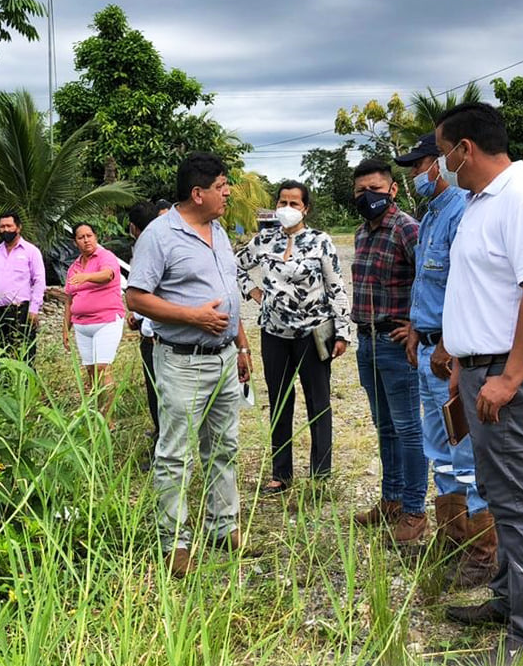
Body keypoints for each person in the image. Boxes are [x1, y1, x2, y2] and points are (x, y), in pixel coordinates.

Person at [431, 103, 523, 666]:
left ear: (466, 148)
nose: (440, 165)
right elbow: (485, 294)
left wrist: (509, 377)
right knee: (501, 492)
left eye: (443, 153)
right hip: (483, 369)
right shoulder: (480, 204)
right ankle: (510, 598)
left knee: (519, 502)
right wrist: (464, 361)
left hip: (512, 375)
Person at [127, 153, 255, 578]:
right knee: (175, 455)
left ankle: (224, 527)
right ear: (197, 193)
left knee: (224, 448)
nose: (228, 192)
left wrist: (241, 345)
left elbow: (228, 291)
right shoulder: (159, 236)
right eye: (221, 185)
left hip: (222, 357)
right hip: (183, 361)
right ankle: (175, 543)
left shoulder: (218, 232)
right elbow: (137, 298)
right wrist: (193, 317)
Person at [395, 134, 495, 589]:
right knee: (439, 450)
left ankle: (481, 550)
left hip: (447, 354)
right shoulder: (431, 216)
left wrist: (450, 346)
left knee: (465, 452)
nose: (415, 175)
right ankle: (452, 538)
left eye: (419, 166)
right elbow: (428, 282)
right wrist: (417, 327)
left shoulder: (463, 212)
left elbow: (466, 286)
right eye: (411, 169)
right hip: (427, 347)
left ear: (442, 164)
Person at [236, 180, 352, 493]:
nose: (287, 209)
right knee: (280, 401)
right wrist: (255, 292)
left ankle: (321, 473)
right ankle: (281, 472)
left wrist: (342, 332)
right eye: (282, 202)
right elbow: (237, 267)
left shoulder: (320, 241)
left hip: (313, 332)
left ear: (306, 208)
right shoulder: (263, 240)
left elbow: (336, 287)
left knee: (318, 400)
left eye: (294, 204)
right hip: (274, 331)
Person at [349, 157, 426, 546]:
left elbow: (432, 278)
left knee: (409, 429)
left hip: (396, 346)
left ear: (392, 189)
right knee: (386, 428)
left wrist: (417, 325)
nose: (368, 197)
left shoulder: (407, 228)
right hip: (367, 343)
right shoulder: (363, 233)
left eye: (375, 190)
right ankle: (391, 499)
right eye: (361, 191)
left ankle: (414, 510)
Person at [62, 221, 126, 423]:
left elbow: (107, 275)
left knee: (102, 368)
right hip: (82, 325)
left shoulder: (105, 256)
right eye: (81, 237)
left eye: (89, 235)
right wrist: (65, 329)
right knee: (90, 373)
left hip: (106, 320)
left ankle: (109, 421)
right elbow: (69, 300)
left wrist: (86, 277)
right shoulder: (73, 268)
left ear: (95, 237)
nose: (86, 240)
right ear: (75, 242)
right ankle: (97, 415)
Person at [127, 200, 173, 449]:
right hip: (152, 331)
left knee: (161, 395)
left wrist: (142, 315)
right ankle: (160, 438)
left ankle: (162, 447)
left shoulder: (153, 248)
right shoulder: (158, 245)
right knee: (157, 394)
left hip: (160, 335)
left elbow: (154, 294)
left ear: (133, 227)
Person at [0, 211, 45, 362]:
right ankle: (2, 385)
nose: (5, 230)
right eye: (2, 227)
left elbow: (39, 281)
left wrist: (34, 309)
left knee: (25, 356)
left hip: (21, 311)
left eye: (9, 226)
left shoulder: (31, 252)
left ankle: (25, 385)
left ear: (18, 227)